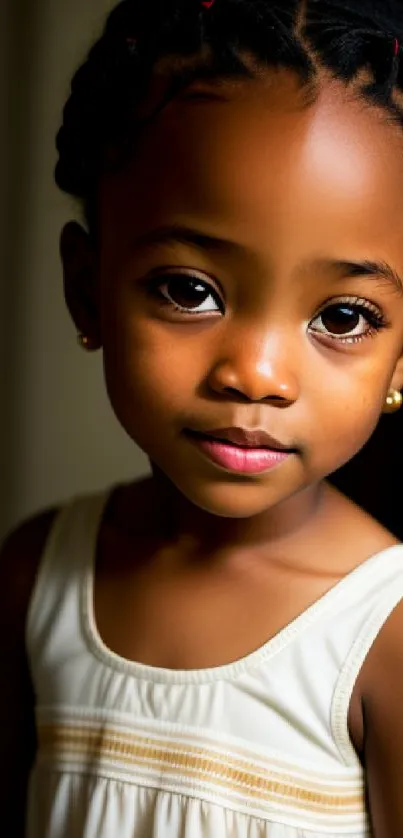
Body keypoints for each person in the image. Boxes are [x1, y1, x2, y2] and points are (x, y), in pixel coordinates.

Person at [2, 0, 403, 835]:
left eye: (342, 317)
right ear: (87, 287)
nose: (255, 376)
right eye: (190, 291)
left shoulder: (387, 632)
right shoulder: (35, 576)